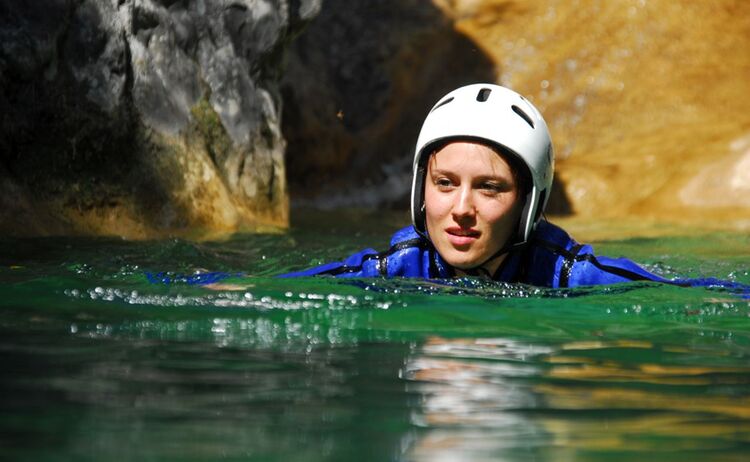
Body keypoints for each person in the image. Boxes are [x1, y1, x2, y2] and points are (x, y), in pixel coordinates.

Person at [280, 84, 745, 293]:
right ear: (420, 190)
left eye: (490, 189)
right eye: (444, 183)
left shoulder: (568, 276)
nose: (461, 208)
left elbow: (691, 293)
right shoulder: (402, 265)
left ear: (529, 203)